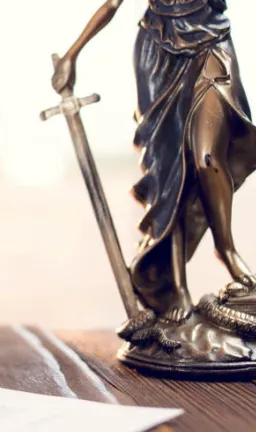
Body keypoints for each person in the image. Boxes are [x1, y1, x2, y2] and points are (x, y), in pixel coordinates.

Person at [53, 0, 256, 323]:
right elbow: (112, 4)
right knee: (169, 171)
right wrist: (71, 56)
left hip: (211, 41)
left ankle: (226, 250)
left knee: (208, 159)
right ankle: (176, 286)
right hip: (159, 51)